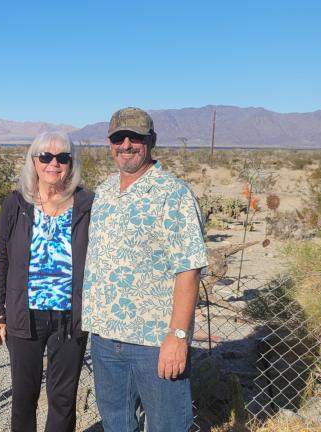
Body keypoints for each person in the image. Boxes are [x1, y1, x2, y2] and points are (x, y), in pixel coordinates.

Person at [82, 107, 208, 431]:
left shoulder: (173, 194)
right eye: (118, 138)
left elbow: (189, 270)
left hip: (154, 342)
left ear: (151, 140)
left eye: (135, 137)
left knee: (168, 425)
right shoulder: (105, 191)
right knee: (117, 424)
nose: (126, 144)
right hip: (106, 338)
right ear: (109, 144)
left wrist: (178, 337)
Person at [0, 131, 94, 431]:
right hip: (25, 316)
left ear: (71, 163)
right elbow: (2, 259)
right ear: (33, 161)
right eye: (46, 156)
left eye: (63, 157)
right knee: (24, 397)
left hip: (69, 317)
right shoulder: (16, 204)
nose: (54, 163)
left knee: (63, 399)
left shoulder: (86, 203)